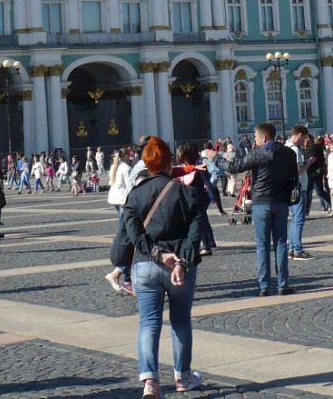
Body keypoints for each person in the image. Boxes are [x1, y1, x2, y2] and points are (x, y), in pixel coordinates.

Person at [119, 137, 205, 397]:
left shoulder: (134, 195)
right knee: (180, 321)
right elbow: (195, 232)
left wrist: (157, 254)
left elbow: (135, 235)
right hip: (179, 267)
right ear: (170, 162)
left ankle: (151, 382)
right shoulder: (185, 192)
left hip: (146, 266)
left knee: (149, 323)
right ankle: (183, 377)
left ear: (146, 163)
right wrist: (181, 262)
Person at [226, 122, 299, 296]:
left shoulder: (257, 154)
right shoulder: (288, 153)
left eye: (256, 137)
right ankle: (283, 284)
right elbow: (294, 177)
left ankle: (264, 286)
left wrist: (215, 157)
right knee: (281, 244)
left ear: (264, 137)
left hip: (261, 203)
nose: (255, 140)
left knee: (262, 246)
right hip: (281, 201)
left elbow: (234, 167)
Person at [286, 125, 314, 259]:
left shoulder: (286, 147)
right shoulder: (295, 150)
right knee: (299, 219)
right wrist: (308, 162)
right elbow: (299, 171)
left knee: (294, 218)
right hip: (298, 187)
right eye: (304, 138)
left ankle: (292, 248)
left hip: (290, 187)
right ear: (300, 135)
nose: (304, 141)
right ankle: (297, 249)